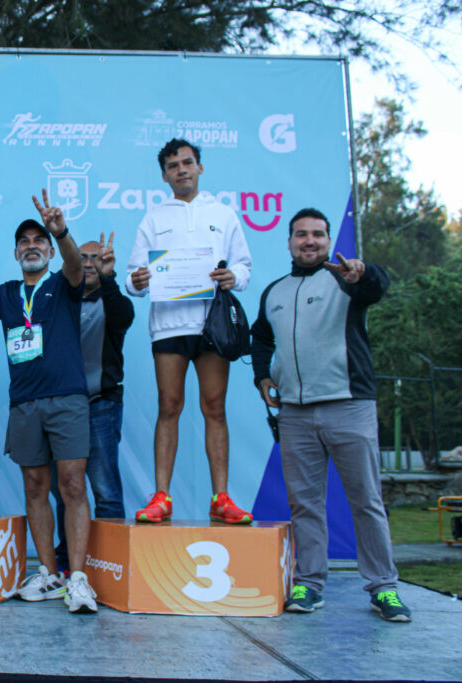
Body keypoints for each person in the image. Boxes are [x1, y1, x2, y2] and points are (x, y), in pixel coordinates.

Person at [250, 207, 411, 622]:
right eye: (301, 234)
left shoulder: (347, 280)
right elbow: (261, 338)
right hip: (295, 414)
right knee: (304, 504)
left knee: (366, 500)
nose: (309, 241)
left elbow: (377, 285)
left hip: (349, 404)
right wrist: (262, 376)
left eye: (318, 234)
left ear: (328, 241)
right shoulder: (274, 292)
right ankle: (309, 584)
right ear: (289, 242)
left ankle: (384, 588)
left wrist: (364, 272)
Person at [0, 190, 97, 614]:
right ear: (15, 252)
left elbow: (76, 265)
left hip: (67, 399)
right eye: (24, 241)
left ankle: (78, 578)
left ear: (49, 249)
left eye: (38, 240)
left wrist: (61, 231)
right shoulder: (6, 294)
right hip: (24, 403)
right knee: (34, 487)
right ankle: (49, 574)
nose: (31, 246)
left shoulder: (63, 283)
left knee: (73, 484)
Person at [124, 138, 253, 524]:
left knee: (214, 407)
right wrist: (138, 279)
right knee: (169, 406)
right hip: (168, 325)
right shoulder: (153, 218)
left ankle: (221, 498)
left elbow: (243, 266)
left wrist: (233, 277)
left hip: (212, 324)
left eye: (187, 162)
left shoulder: (223, 214)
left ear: (200, 167)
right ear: (164, 176)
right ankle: (162, 497)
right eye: (173, 166)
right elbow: (133, 279)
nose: (181, 170)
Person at [51, 232, 134, 571]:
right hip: (60, 409)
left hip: (100, 406)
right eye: (81, 258)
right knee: (65, 490)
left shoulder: (112, 301)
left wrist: (109, 277)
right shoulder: (57, 300)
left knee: (106, 490)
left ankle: (112, 566)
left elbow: (124, 318)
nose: (87, 264)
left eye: (94, 258)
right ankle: (67, 563)